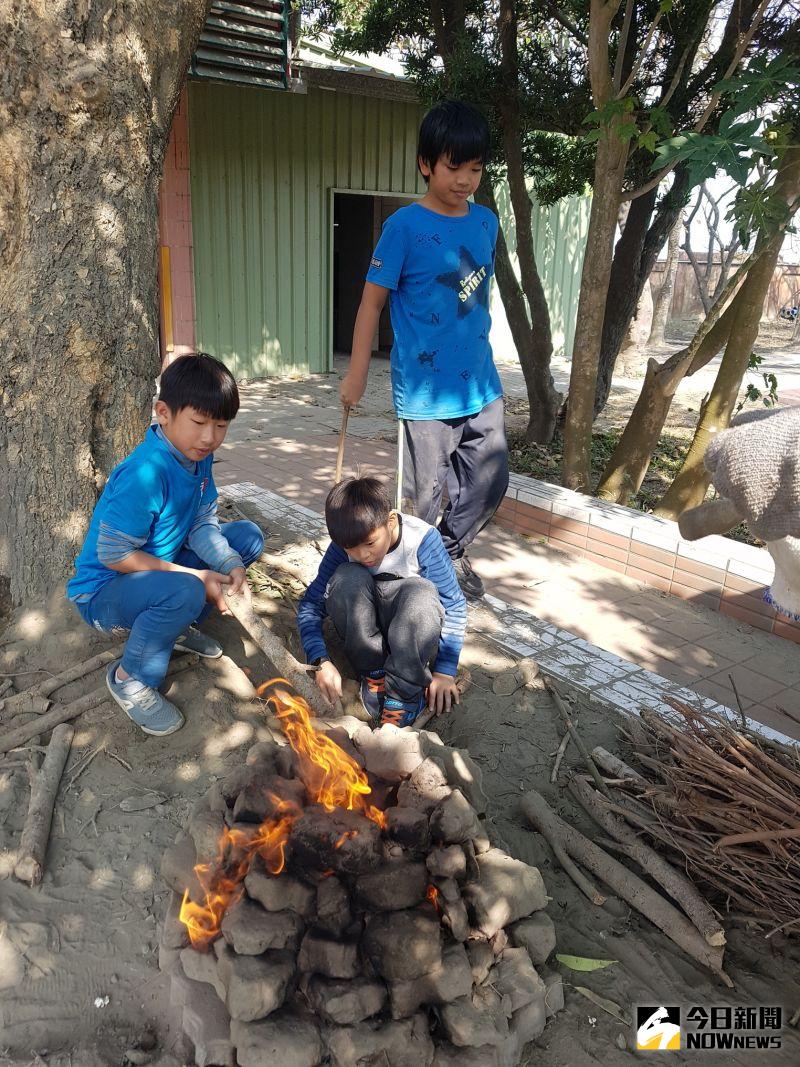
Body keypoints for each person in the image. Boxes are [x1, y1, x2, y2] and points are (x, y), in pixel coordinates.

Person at [340, 99, 509, 600]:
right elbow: (370, 305)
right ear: (426, 164)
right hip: (425, 393)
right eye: (453, 167)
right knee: (424, 496)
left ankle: (449, 552)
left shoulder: (485, 223)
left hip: (481, 382)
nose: (464, 179)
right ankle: (411, 579)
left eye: (475, 168)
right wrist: (356, 375)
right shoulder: (402, 228)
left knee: (489, 479)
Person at [67, 353, 264, 736]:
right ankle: (130, 678)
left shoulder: (197, 456)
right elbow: (114, 554)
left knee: (245, 539)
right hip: (104, 593)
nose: (210, 437)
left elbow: (203, 523)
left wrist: (229, 564)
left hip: (158, 573)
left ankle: (175, 624)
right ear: (163, 413)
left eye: (221, 425)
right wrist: (195, 576)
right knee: (188, 588)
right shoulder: (145, 472)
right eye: (199, 422)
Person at [297, 476, 467, 727]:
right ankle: (374, 675)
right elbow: (310, 605)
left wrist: (444, 670)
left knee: (421, 593)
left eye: (369, 543)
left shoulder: (422, 540)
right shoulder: (343, 546)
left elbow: (454, 606)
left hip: (412, 634)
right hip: (365, 635)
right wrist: (320, 660)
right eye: (351, 548)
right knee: (346, 578)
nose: (362, 554)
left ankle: (404, 694)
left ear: (389, 521)